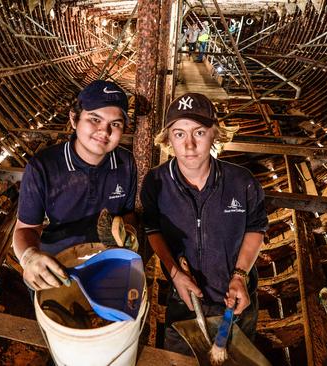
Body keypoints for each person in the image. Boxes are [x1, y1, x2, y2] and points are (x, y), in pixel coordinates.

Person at [140, 93, 267, 354]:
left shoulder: (241, 181)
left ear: (214, 135)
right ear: (168, 139)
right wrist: (175, 273)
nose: (188, 145)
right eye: (178, 134)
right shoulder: (156, 183)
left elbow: (255, 228)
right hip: (185, 299)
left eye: (198, 133)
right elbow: (153, 230)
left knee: (234, 357)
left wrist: (240, 276)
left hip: (236, 298)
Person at [13, 80, 137, 291]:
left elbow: (129, 213)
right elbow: (26, 228)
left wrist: (127, 232)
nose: (104, 131)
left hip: (108, 259)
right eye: (94, 119)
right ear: (74, 119)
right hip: (57, 265)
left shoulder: (126, 164)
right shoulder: (43, 166)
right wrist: (29, 257)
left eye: (115, 124)